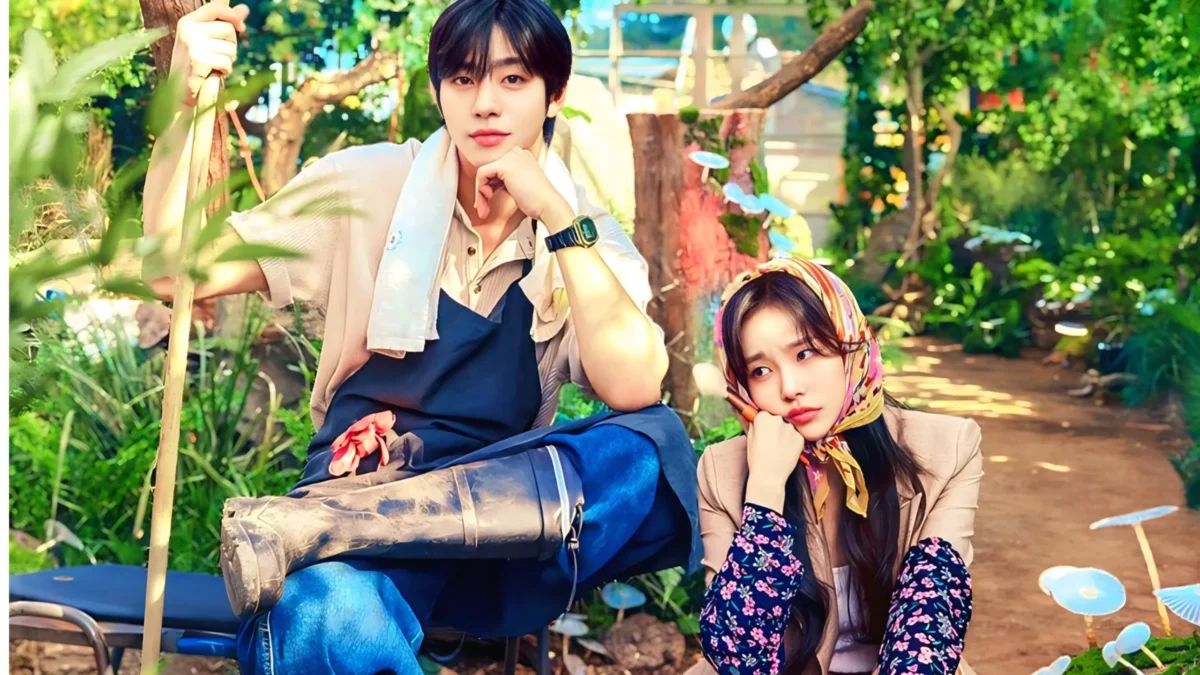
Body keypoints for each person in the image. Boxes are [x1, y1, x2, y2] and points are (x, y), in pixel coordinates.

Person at [141, 0, 701, 672]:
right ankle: (348, 535)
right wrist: (182, 106)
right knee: (321, 612)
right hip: (359, 504)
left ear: (554, 94)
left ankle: (328, 533)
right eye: (463, 79)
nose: (485, 104)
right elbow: (175, 272)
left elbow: (635, 386)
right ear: (439, 91)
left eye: (513, 79)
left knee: (650, 444)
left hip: (501, 528)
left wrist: (555, 215)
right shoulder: (367, 186)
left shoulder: (580, 231)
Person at [686, 258, 982, 675]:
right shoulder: (722, 471)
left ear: (850, 345)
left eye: (805, 353)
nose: (790, 388)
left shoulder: (946, 450)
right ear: (741, 388)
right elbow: (736, 657)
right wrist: (765, 493)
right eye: (761, 370)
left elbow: (927, 629)